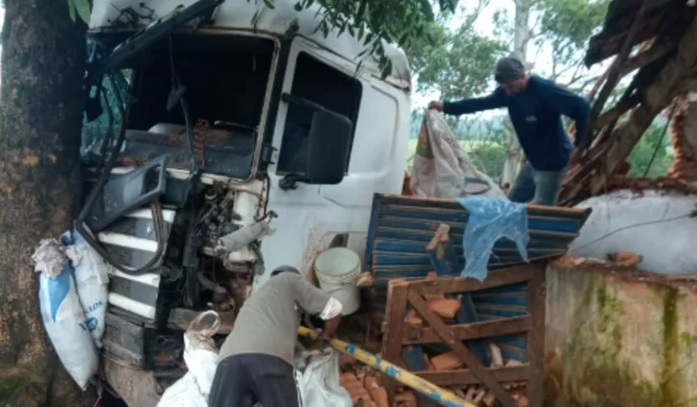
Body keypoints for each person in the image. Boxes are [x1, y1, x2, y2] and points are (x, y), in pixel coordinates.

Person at [428, 56, 592, 206]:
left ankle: (541, 238)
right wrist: (446, 107)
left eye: (511, 87)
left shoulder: (543, 90)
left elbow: (582, 107)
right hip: (533, 162)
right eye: (504, 88)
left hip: (553, 163)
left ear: (522, 76)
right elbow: (480, 103)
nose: (508, 92)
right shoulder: (508, 93)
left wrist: (579, 146)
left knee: (544, 208)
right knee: (510, 203)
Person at [209, 266, 343, 407]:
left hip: (227, 362)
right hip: (267, 359)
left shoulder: (255, 300)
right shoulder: (289, 279)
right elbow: (334, 309)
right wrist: (327, 335)